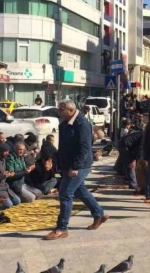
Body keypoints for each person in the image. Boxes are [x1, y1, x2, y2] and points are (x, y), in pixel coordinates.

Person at [45, 100, 108, 240]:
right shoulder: (65, 122)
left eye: (62, 109)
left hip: (79, 165)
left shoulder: (82, 124)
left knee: (65, 193)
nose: (59, 112)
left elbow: (85, 148)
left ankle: (62, 228)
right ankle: (99, 214)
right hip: (68, 164)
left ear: (71, 110)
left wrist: (76, 167)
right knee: (81, 190)